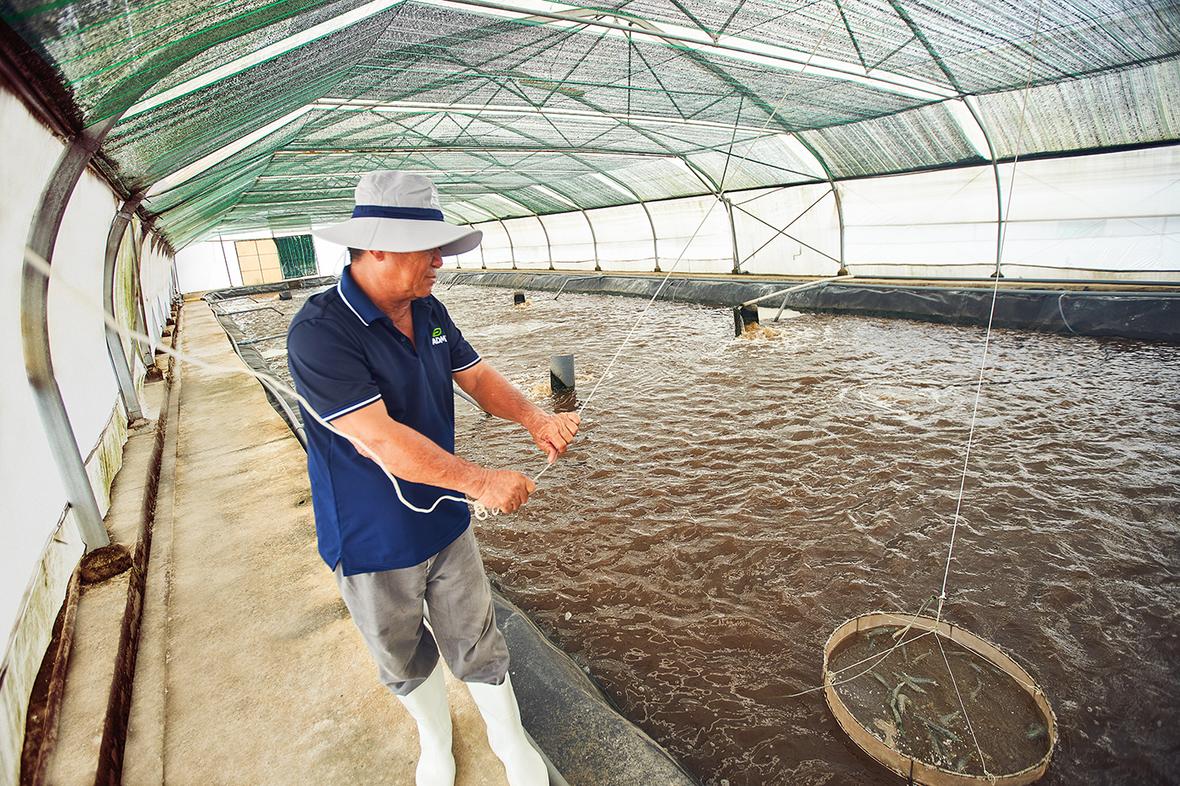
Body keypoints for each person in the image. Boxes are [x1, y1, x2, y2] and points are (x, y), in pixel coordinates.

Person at [286, 171, 579, 786]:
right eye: (430, 249)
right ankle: (434, 741)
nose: (440, 262)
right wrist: (481, 480)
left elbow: (474, 376)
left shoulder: (429, 310)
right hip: (371, 533)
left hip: (443, 517)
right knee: (398, 649)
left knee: (475, 633)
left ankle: (510, 743)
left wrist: (534, 417)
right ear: (378, 246)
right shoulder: (319, 332)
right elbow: (381, 439)